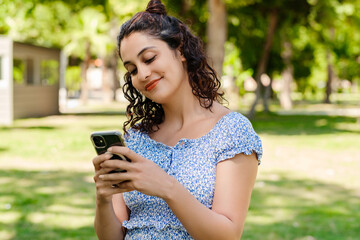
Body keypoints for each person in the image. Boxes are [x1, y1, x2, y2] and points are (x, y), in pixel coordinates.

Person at [92, 0, 262, 239]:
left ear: (180, 49)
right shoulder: (135, 139)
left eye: (149, 58)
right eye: (132, 70)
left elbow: (228, 235)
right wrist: (103, 198)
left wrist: (166, 186)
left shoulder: (231, 131)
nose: (142, 74)